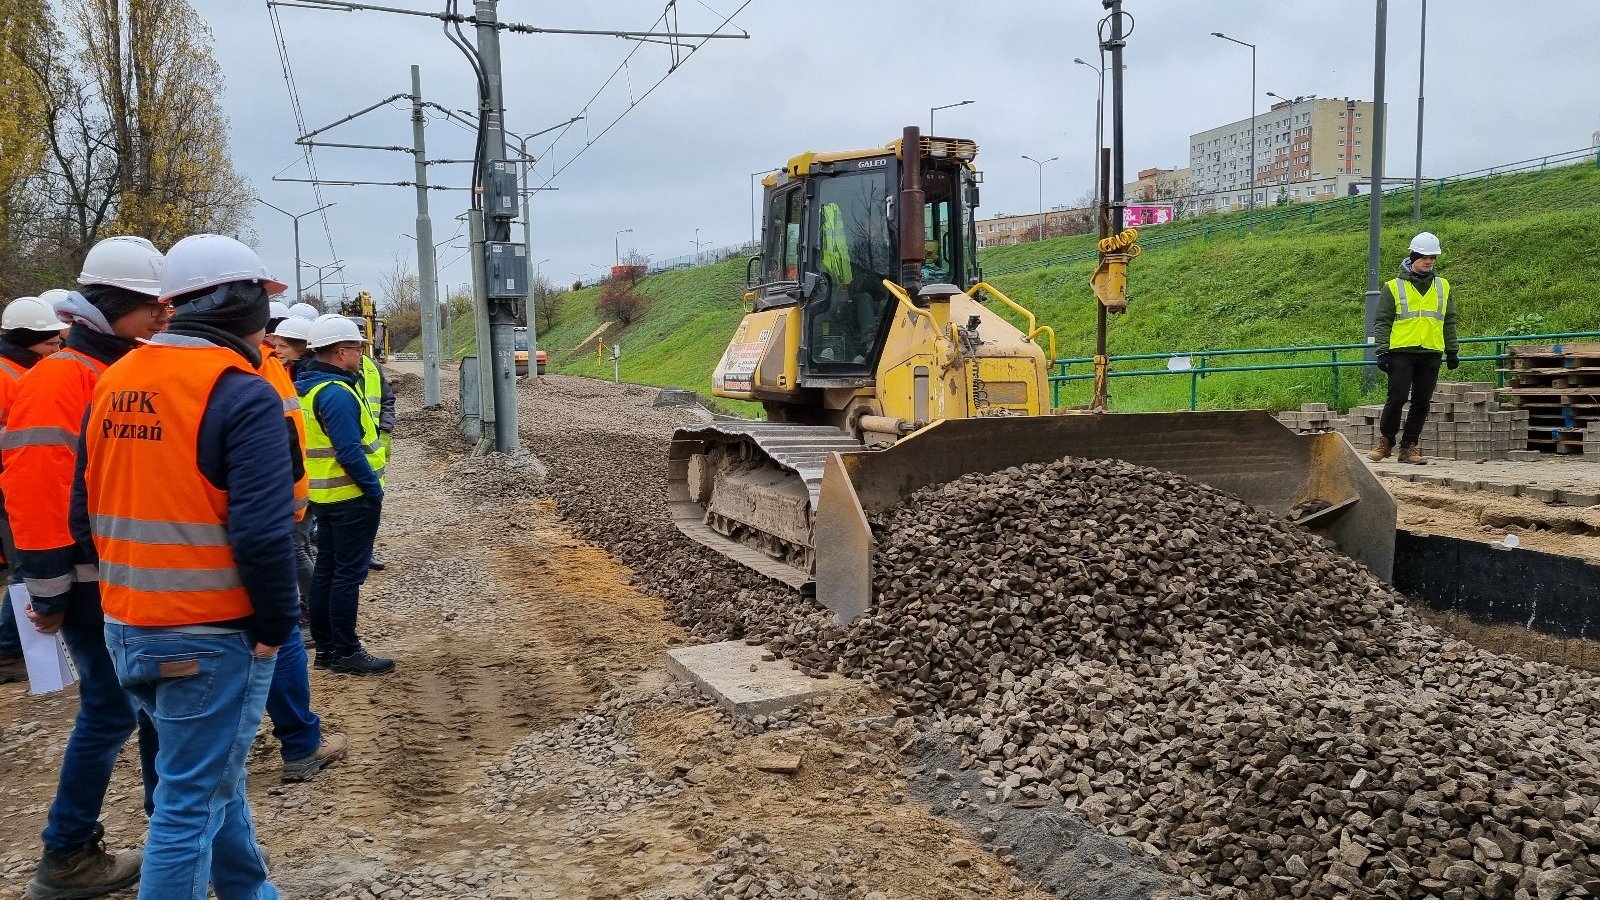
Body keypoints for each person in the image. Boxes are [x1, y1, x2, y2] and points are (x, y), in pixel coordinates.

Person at [76, 233, 296, 899]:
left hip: (129, 625)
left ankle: (249, 891)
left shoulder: (114, 380)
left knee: (203, 776)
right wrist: (277, 621)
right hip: (210, 633)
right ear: (245, 305)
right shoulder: (240, 391)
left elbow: (80, 507)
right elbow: (262, 531)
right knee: (189, 804)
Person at [5, 237, 168, 900]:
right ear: (114, 304)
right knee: (113, 707)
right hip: (85, 581)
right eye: (150, 304)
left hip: (115, 575)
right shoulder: (61, 380)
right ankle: (69, 852)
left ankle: (165, 833)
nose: (162, 314)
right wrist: (45, 588)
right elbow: (36, 490)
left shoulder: (110, 371)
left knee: (138, 705)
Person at [256, 320, 348, 782]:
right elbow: (284, 459)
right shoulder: (257, 374)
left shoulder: (126, 373)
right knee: (280, 635)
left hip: (150, 573)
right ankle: (299, 745)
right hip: (261, 534)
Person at [297, 315, 392, 675]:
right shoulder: (336, 393)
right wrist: (373, 491)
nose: (361, 357)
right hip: (351, 497)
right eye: (357, 349)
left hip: (326, 496)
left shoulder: (309, 387)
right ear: (341, 352)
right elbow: (349, 451)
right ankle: (346, 651)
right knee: (346, 577)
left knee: (326, 572)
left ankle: (325, 650)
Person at [0, 296, 69, 684]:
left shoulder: (21, 370)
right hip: (14, 487)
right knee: (27, 569)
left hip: (17, 483)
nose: (55, 350)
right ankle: (10, 649)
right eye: (49, 343)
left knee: (26, 567)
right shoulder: (9, 375)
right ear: (26, 340)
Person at [1368, 231, 1458, 466]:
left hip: (1430, 352)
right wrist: (1382, 351)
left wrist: (1452, 351)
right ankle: (1386, 442)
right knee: (1396, 398)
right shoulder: (1393, 287)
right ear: (1413, 256)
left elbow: (1448, 321)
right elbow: (1382, 321)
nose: (1429, 261)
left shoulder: (1443, 286)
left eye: (1433, 257)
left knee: (1422, 402)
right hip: (1401, 352)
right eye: (1424, 257)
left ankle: (1408, 446)